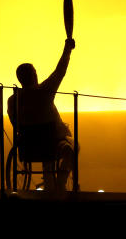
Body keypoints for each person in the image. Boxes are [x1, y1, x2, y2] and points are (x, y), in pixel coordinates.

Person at [6, 38, 76, 191]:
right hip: (52, 144)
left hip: (28, 147)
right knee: (73, 147)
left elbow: (15, 123)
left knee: (46, 144)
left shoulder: (12, 101)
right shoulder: (45, 91)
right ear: (34, 76)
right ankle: (61, 181)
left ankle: (49, 183)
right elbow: (60, 71)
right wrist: (67, 50)